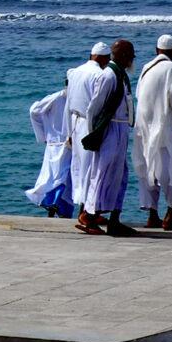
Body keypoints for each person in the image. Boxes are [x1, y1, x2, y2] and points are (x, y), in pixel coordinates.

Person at [67, 42, 133, 236]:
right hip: (110, 130)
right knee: (101, 174)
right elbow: (94, 108)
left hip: (120, 128)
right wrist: (94, 135)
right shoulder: (108, 75)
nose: (132, 59)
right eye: (130, 55)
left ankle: (114, 219)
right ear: (121, 55)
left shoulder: (120, 74)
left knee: (119, 175)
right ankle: (88, 216)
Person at [133, 34, 172, 230]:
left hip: (142, 127)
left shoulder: (145, 67)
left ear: (156, 50)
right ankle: (170, 214)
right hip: (162, 127)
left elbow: (138, 94)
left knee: (148, 169)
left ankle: (152, 215)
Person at [24, 78, 74, 218]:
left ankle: (59, 209)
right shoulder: (57, 97)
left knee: (64, 179)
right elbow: (34, 110)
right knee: (58, 178)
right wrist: (44, 135)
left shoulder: (76, 99)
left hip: (70, 146)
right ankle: (53, 206)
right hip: (56, 145)